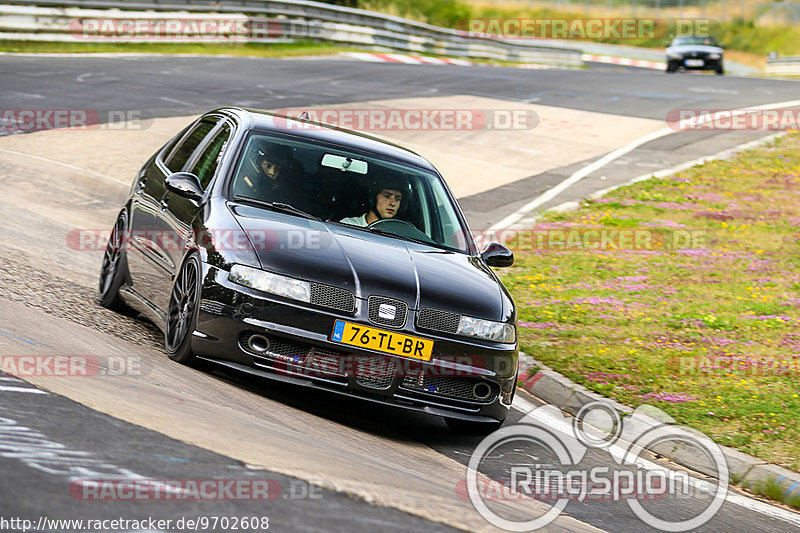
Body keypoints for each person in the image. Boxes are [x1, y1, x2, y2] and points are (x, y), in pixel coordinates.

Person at [340, 178, 405, 227]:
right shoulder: (349, 225)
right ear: (373, 199)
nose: (393, 203)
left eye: (397, 199)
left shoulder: (399, 234)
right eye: (387, 196)